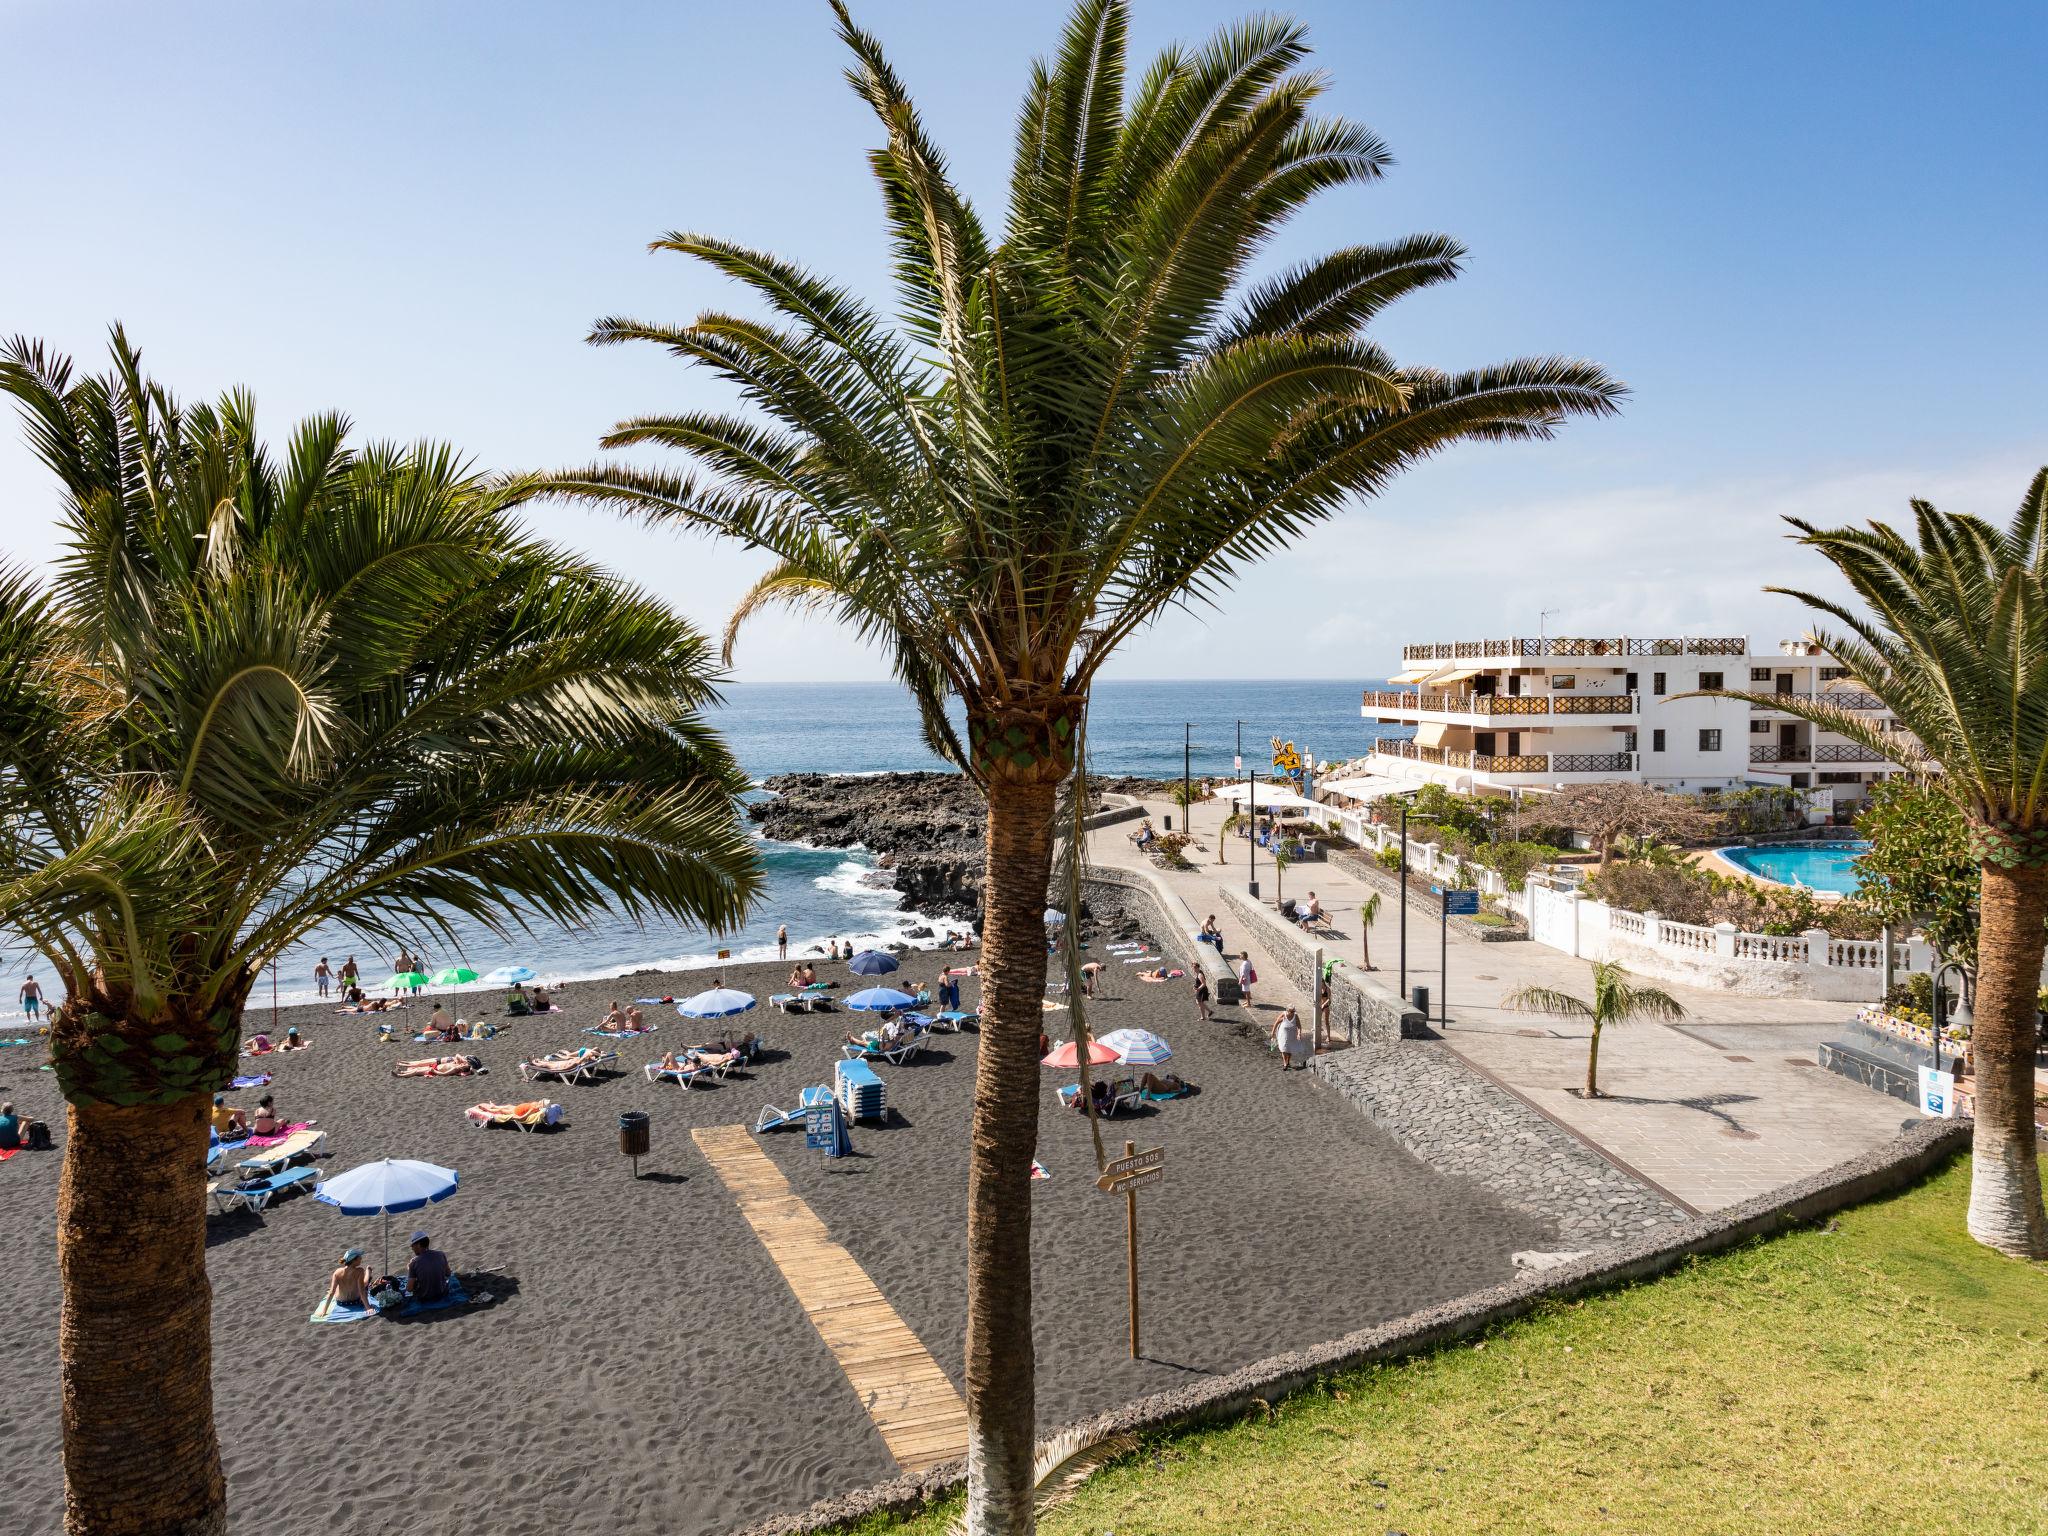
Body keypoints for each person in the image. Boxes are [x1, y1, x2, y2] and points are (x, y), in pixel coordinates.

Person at [405, 1230, 452, 1303]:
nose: (412, 1248)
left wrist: (410, 1269)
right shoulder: (441, 1254)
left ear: (419, 1245)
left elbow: (409, 1288)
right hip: (443, 1293)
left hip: (425, 1297)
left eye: (413, 1245)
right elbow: (448, 1273)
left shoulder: (414, 1263)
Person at [322, 1247, 373, 1313]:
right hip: (355, 1301)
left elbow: (332, 1292)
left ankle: (368, 1272)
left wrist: (324, 1310)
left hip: (341, 1303)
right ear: (354, 1260)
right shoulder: (359, 1271)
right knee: (364, 1284)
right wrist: (368, 1308)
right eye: (359, 1257)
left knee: (336, 1288)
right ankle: (368, 1272)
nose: (361, 1258)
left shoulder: (337, 1272)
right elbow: (362, 1291)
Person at [1272, 1006, 1305, 1071]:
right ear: (1287, 1011)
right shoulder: (1283, 1015)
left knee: (1290, 1048)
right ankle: (1285, 1063)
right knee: (1283, 1048)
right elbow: (1276, 1023)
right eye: (1291, 1011)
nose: (1293, 1012)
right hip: (1283, 1034)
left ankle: (1288, 1061)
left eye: (1294, 1011)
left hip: (1292, 1035)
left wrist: (1299, 1034)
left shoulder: (1295, 1016)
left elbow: (1299, 1026)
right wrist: (1273, 1032)